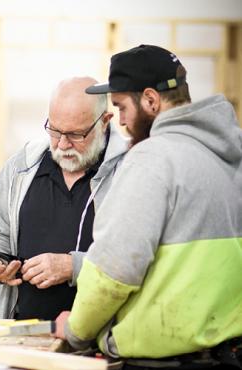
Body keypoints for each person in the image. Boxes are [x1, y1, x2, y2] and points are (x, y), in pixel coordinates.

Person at [56, 45, 242, 368]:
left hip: (161, 362)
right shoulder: (229, 154)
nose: (122, 122)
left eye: (122, 107)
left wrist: (75, 330)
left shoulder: (152, 158)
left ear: (151, 100)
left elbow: (115, 271)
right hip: (227, 356)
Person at [0, 76, 129, 320]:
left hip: (101, 339)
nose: (63, 144)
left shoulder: (131, 172)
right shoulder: (21, 168)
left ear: (105, 122)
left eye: (77, 134)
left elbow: (136, 260)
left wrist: (73, 267)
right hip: (22, 333)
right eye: (55, 131)